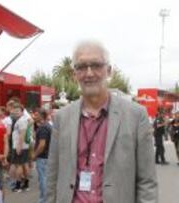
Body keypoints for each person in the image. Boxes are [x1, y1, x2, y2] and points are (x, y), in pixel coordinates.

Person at [47, 40, 158, 203]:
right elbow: (52, 176)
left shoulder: (136, 116)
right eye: (82, 67)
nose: (89, 73)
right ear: (74, 74)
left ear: (109, 70)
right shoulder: (62, 118)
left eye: (96, 65)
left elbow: (147, 182)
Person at [32, 108, 52, 203]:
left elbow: (42, 144)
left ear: (41, 116)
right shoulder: (47, 126)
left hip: (43, 158)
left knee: (43, 180)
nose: (34, 116)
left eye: (36, 115)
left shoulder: (43, 127)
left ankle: (44, 200)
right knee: (45, 179)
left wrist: (34, 155)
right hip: (46, 157)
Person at [10, 103, 30, 193]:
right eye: (15, 110)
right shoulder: (23, 120)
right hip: (24, 146)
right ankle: (26, 184)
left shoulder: (21, 121)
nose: (15, 112)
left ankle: (18, 186)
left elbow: (22, 134)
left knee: (19, 165)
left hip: (19, 146)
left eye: (18, 111)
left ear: (22, 112)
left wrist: (19, 146)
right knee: (25, 165)